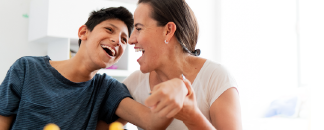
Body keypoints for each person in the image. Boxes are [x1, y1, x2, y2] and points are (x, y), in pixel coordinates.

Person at [0, 6, 188, 130]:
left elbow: (152, 121)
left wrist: (180, 88)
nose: (117, 41)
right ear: (83, 32)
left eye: (124, 39)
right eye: (109, 30)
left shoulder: (108, 89)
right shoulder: (26, 69)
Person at [114, 0, 242, 129]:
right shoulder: (134, 83)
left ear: (168, 31)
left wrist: (191, 116)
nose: (131, 40)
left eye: (139, 29)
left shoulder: (216, 78)